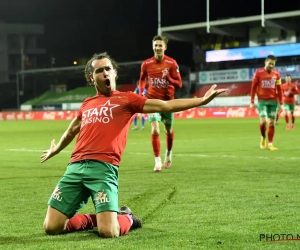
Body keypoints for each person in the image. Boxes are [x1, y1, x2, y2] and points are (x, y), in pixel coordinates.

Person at [40, 52, 226, 238]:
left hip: (103, 169)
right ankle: (100, 219)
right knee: (51, 226)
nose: (105, 73)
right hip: (75, 168)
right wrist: (56, 149)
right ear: (91, 78)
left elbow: (164, 106)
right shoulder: (87, 104)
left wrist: (200, 101)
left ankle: (126, 217)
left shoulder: (128, 99)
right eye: (99, 71)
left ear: (114, 73)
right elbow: (72, 130)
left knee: (109, 232)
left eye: (108, 69)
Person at [139, 35, 182, 172]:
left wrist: (168, 77)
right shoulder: (146, 64)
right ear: (153, 46)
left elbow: (179, 83)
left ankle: (168, 153)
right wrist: (141, 92)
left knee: (168, 130)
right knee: (155, 129)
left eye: (160, 45)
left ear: (165, 47)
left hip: (168, 102)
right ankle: (157, 161)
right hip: (152, 101)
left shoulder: (172, 63)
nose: (157, 48)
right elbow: (142, 80)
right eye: (155, 45)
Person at [250, 55, 283, 151]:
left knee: (271, 123)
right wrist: (252, 101)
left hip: (273, 101)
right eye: (270, 63)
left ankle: (270, 144)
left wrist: (281, 103)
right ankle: (263, 137)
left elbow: (279, 89)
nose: (271, 65)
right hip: (262, 101)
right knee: (263, 121)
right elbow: (253, 87)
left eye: (273, 64)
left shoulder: (277, 74)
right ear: (265, 62)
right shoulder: (258, 73)